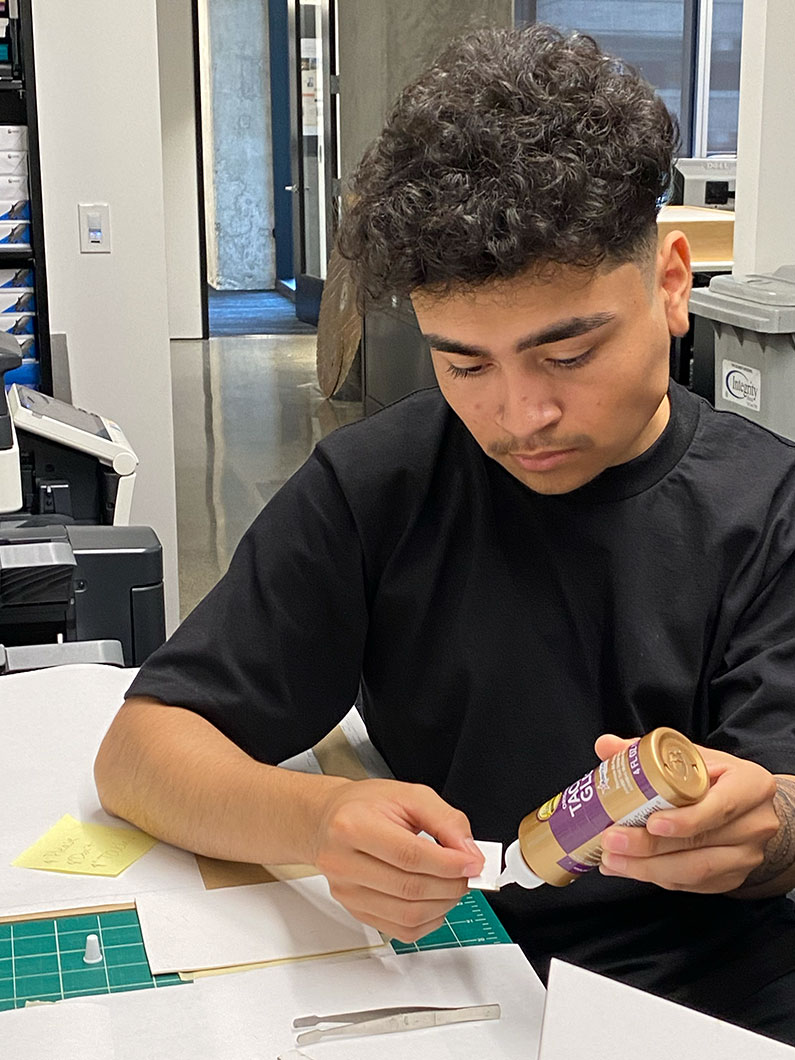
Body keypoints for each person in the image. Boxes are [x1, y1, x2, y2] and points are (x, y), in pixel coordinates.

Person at [95, 24, 795, 1044]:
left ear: (672, 283)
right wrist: (319, 820)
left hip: (712, 992)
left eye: (568, 351)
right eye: (465, 365)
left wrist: (767, 831)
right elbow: (142, 751)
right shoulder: (377, 485)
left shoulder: (767, 507)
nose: (520, 416)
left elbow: (784, 801)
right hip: (456, 971)